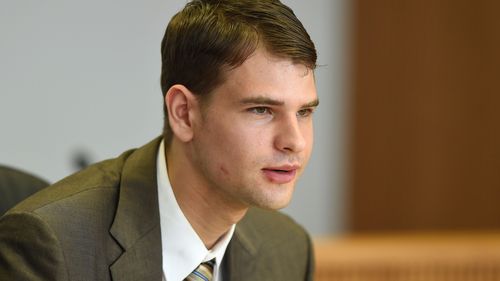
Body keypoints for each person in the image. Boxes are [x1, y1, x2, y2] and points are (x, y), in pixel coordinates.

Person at [0, 0, 319, 280]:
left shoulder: (289, 250)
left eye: (304, 112)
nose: (295, 142)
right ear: (183, 114)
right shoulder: (51, 247)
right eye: (261, 110)